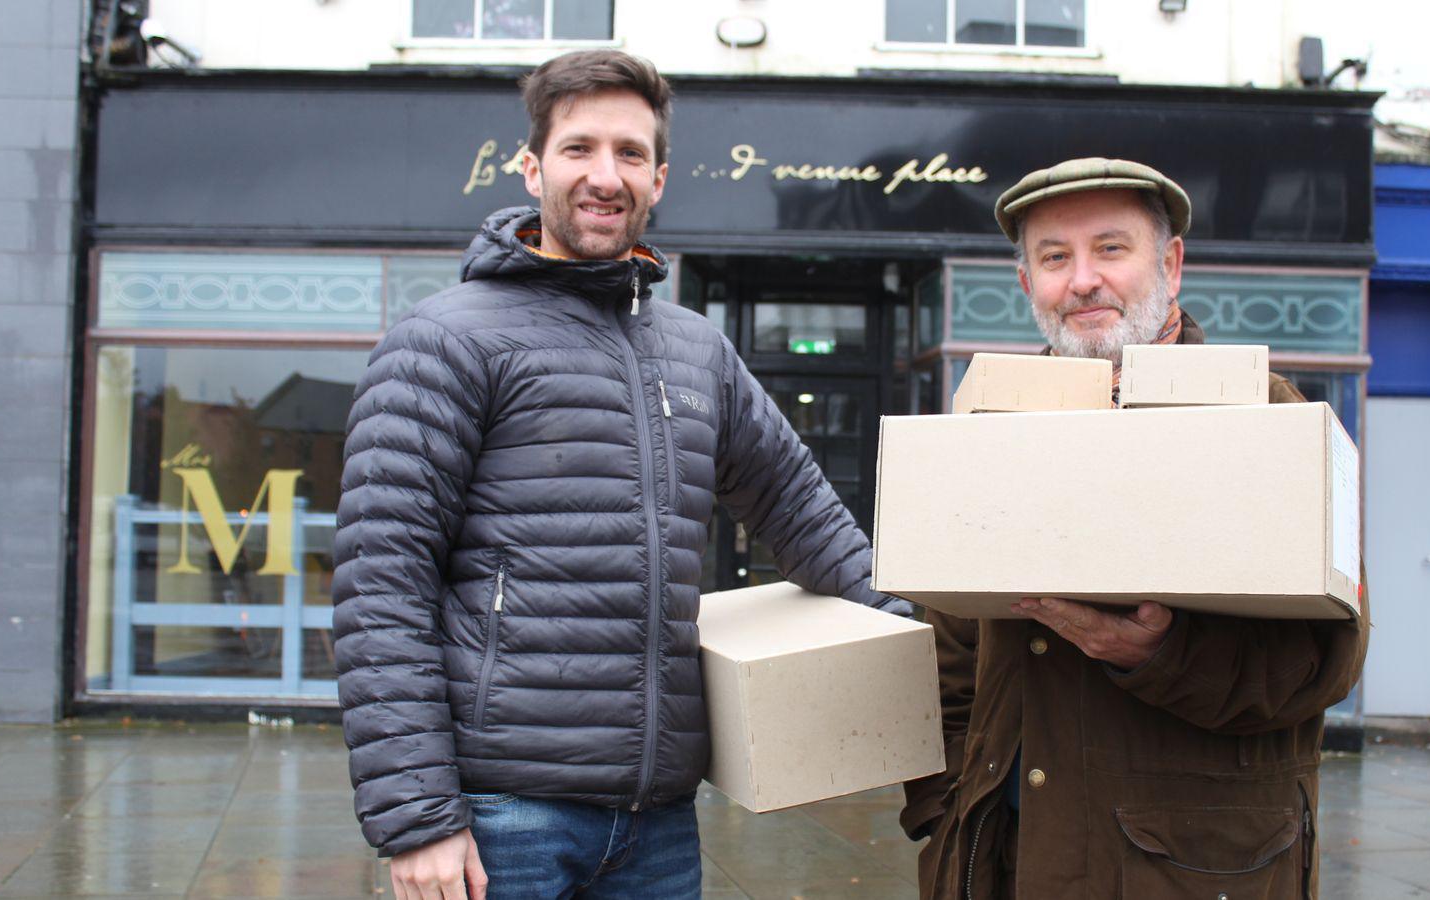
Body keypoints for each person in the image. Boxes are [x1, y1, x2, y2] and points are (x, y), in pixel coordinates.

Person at [332, 49, 908, 900]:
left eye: (630, 154)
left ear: (660, 177)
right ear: (531, 168)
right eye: (579, 149)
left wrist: (928, 644)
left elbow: (805, 518)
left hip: (658, 826)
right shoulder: (444, 340)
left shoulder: (695, 348)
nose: (606, 176)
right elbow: (381, 585)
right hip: (500, 817)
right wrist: (420, 816)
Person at [899, 158, 1369, 899]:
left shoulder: (1272, 419)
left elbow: (1331, 659)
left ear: (1171, 265)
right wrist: (942, 804)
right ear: (1027, 285)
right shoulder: (992, 427)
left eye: (1111, 249)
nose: (1083, 279)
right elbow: (946, 656)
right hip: (1001, 864)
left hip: (1192, 870)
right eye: (1055, 257)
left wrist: (1162, 653)